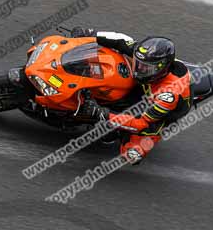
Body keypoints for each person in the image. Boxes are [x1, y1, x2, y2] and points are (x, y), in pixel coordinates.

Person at [70, 27, 192, 165]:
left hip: (160, 116)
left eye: (145, 68)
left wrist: (102, 114)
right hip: (149, 88)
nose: (139, 69)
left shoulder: (168, 95)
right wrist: (89, 35)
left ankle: (126, 134)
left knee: (131, 155)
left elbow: (142, 123)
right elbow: (121, 40)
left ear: (162, 68)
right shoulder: (147, 58)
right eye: (139, 64)